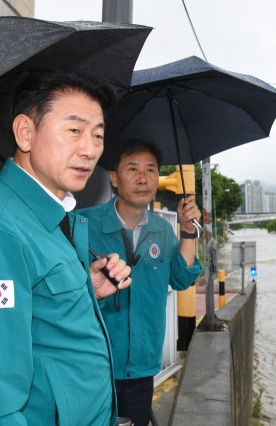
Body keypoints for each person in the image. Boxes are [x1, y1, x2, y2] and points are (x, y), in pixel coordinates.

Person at [0, 71, 132, 425]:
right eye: (74, 130)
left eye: (98, 135)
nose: (90, 148)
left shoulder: (48, 216)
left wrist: (85, 288)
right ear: (25, 132)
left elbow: (41, 317)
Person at [78, 139, 203, 425]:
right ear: (113, 178)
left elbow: (181, 278)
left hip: (142, 367)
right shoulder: (81, 225)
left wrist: (187, 232)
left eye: (151, 170)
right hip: (93, 366)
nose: (143, 178)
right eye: (132, 169)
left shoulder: (162, 229)